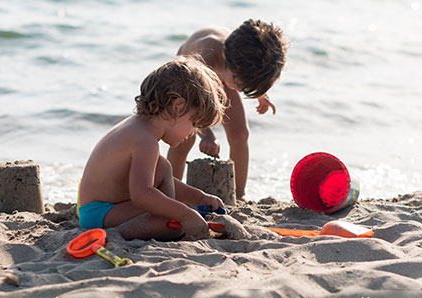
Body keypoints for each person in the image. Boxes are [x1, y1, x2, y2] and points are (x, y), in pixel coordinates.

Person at [77, 56, 228, 241]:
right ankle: (115, 236)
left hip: (104, 207)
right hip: (100, 213)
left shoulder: (139, 128)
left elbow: (159, 182)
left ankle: (167, 216)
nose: (192, 132)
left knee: (163, 168)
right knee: (170, 226)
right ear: (178, 106)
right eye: (194, 122)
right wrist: (185, 215)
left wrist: (199, 198)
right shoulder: (145, 140)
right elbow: (141, 194)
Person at [167, 19, 287, 200]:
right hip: (186, 76)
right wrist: (207, 135)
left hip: (224, 74)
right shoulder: (205, 57)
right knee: (185, 138)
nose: (240, 90)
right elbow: (192, 106)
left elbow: (249, 74)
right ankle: (169, 190)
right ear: (226, 58)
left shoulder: (242, 61)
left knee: (240, 134)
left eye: (245, 87)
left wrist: (260, 92)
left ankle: (237, 195)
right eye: (241, 84)